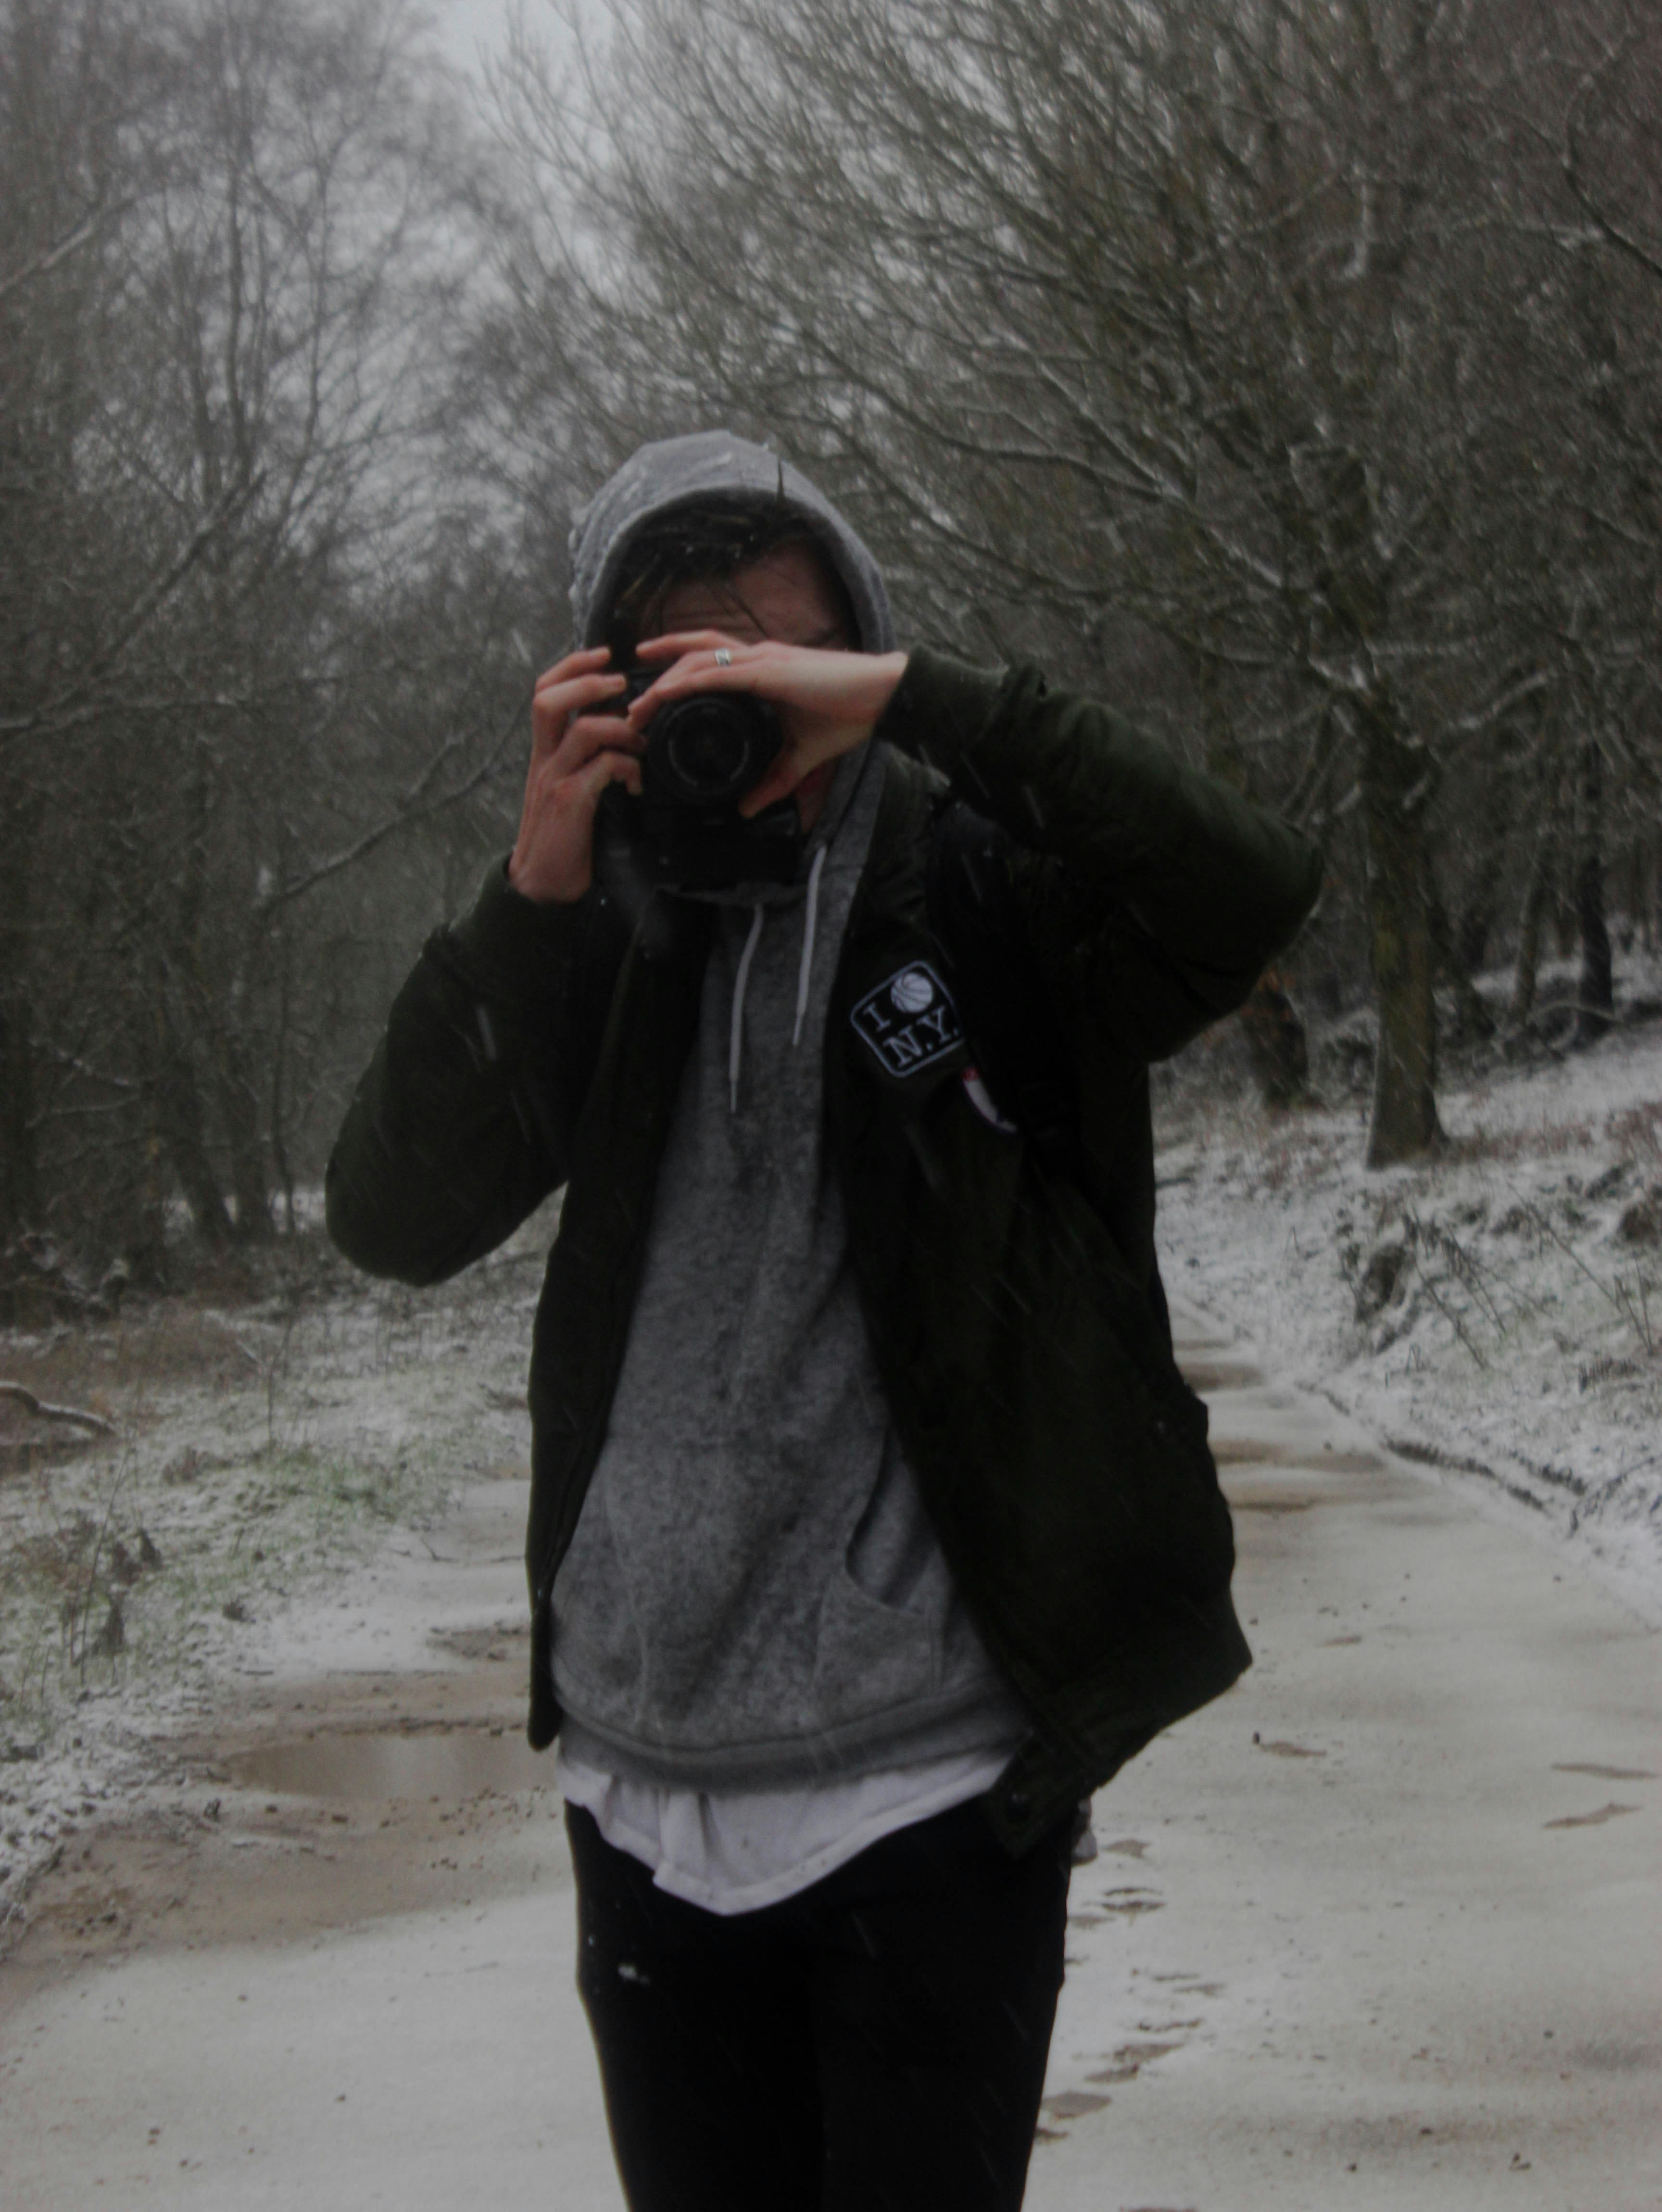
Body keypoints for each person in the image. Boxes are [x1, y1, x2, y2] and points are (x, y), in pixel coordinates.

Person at [326, 431, 1322, 2212]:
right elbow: (388, 1219)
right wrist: (531, 890)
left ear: (851, 652)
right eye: (686, 678)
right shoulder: (603, 929)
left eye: (770, 669)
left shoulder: (980, 885)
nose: (742, 731)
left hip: (928, 1793)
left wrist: (918, 703)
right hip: (641, 1791)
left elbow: (1247, 890)